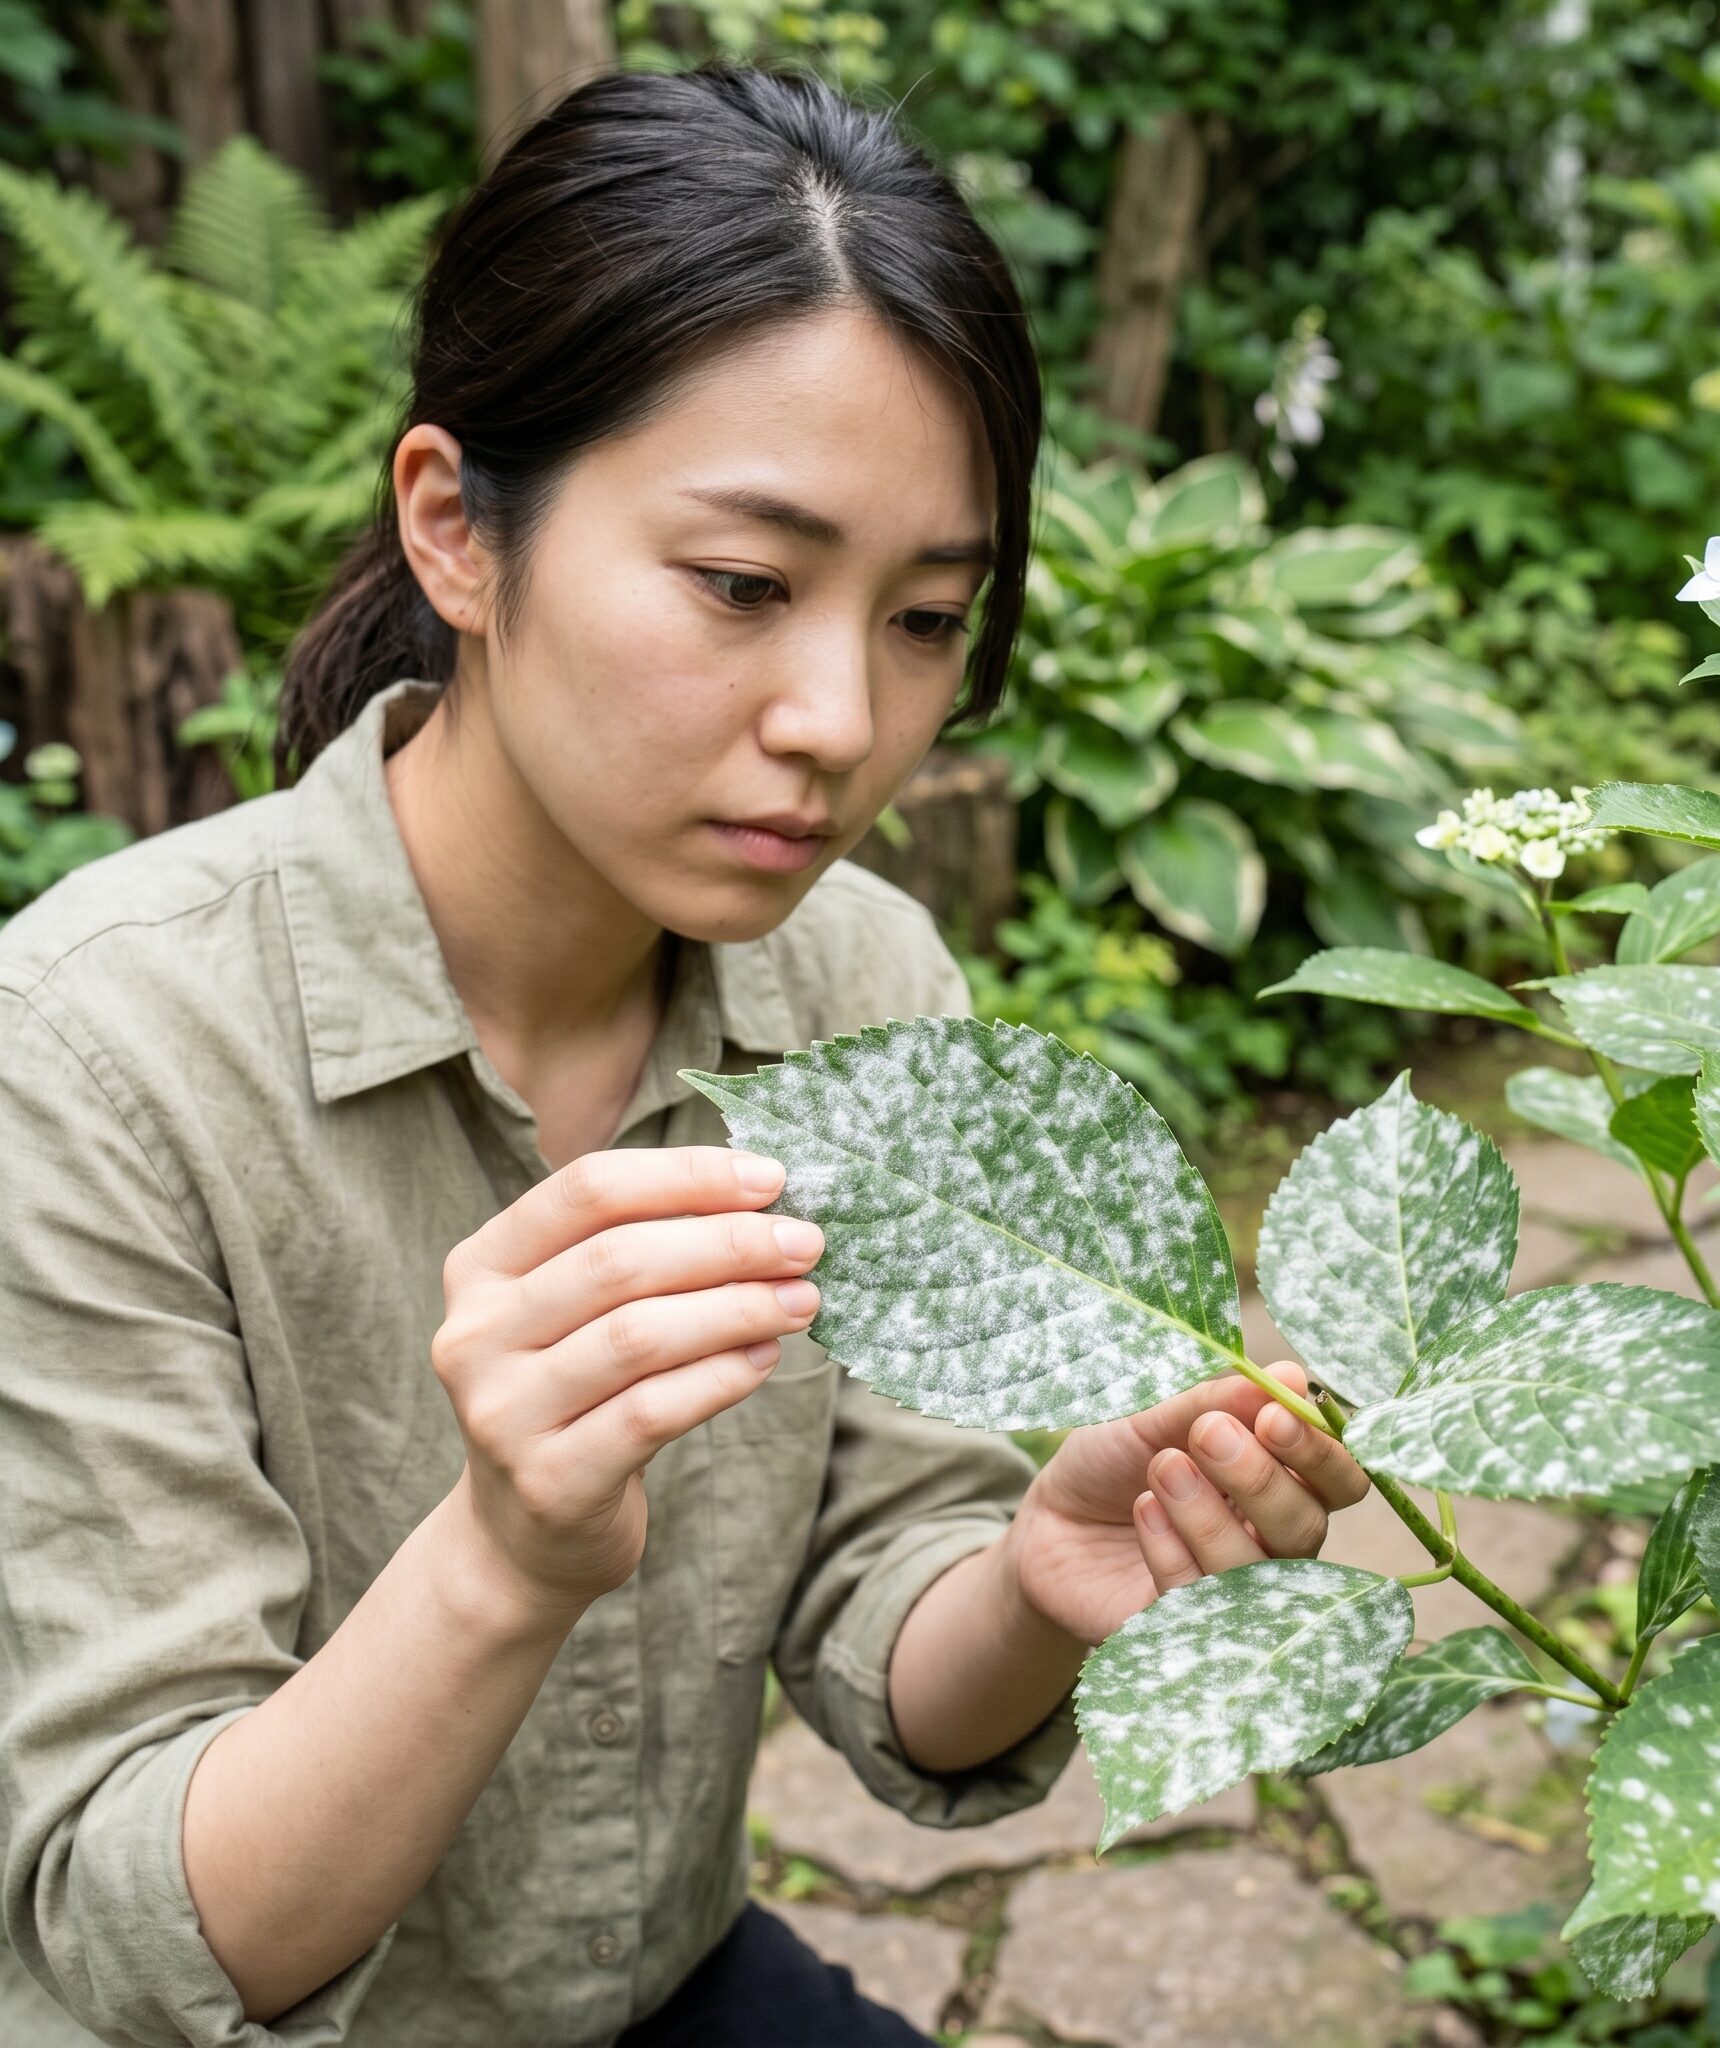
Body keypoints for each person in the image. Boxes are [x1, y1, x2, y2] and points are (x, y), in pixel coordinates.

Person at [0, 63, 1368, 2048]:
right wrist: (504, 1559)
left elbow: (895, 1618)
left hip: (663, 1980)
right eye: (744, 585)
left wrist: (1043, 1575)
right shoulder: (92, 1055)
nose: (840, 721)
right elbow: (137, 1936)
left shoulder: (862, 978)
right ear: (458, 531)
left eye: (926, 618)